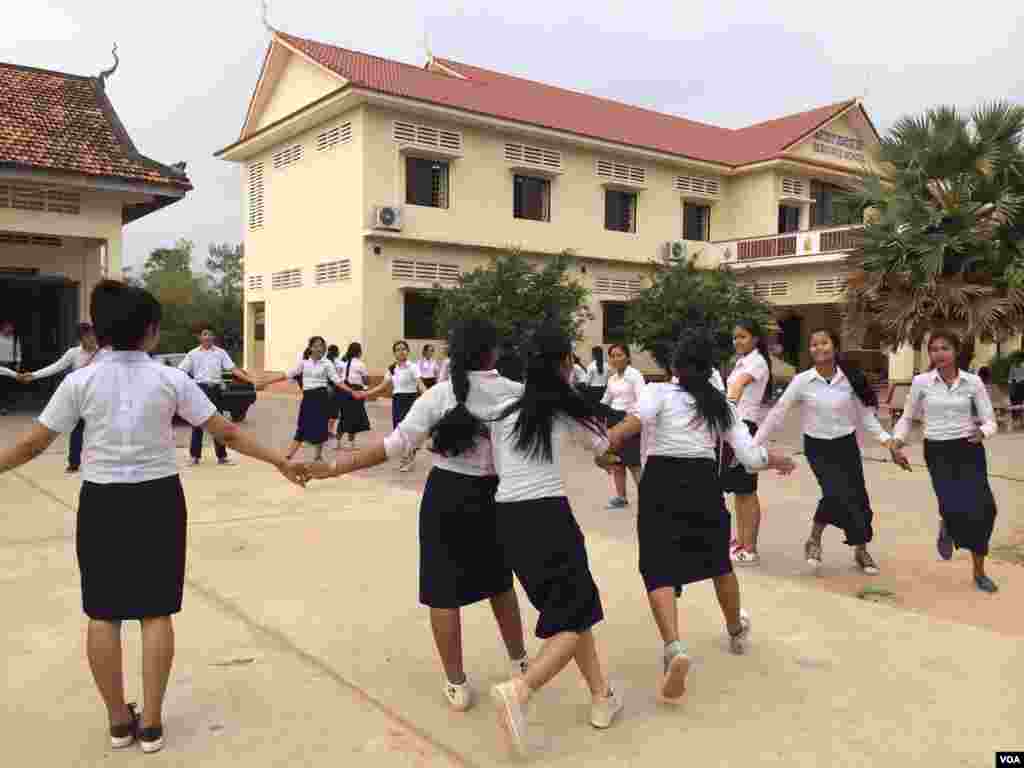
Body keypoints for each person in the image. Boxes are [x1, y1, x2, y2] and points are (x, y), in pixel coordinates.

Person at [0, 280, 307, 755]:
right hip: (158, 500)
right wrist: (280, 460)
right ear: (150, 331)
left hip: (102, 502)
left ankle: (119, 722)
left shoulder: (80, 380)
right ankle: (153, 725)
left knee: (102, 613)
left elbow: (31, 444)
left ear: (98, 333)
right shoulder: (170, 379)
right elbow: (225, 430)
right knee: (155, 611)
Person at [310, 320, 530, 711]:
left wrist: (335, 468)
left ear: (454, 353)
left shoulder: (440, 395)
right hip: (498, 496)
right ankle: (520, 662)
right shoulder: (517, 394)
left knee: (442, 591)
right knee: (500, 583)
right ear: (494, 352)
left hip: (446, 495)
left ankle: (457, 684)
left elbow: (394, 446)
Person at [607, 332, 794, 702]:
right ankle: (736, 632)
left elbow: (630, 426)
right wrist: (777, 460)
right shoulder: (720, 405)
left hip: (660, 482)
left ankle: (674, 648)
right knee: (719, 564)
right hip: (702, 484)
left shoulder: (658, 393)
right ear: (710, 368)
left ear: (674, 367)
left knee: (657, 565)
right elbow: (751, 456)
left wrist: (603, 444)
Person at [487, 328, 622, 757]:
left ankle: (601, 696)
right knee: (574, 614)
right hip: (547, 516)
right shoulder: (562, 408)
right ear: (564, 363)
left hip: (506, 517)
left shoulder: (503, 410)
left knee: (571, 609)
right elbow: (602, 444)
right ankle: (521, 691)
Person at [754, 329, 895, 574]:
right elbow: (778, 412)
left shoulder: (849, 377)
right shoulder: (803, 380)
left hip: (846, 444)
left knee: (858, 498)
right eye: (814, 344)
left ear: (835, 346)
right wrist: (754, 443)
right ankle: (814, 540)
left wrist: (887, 441)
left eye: (824, 343)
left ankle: (861, 550)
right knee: (835, 493)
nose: (819, 348)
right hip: (817, 447)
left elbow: (865, 415)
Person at [890, 330, 1000, 593]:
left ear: (956, 351)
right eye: (934, 349)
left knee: (985, 510)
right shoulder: (921, 382)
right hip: (938, 451)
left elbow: (990, 421)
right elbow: (907, 417)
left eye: (945, 348)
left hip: (969, 448)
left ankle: (979, 572)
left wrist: (982, 432)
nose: (939, 354)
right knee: (953, 507)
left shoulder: (973, 382)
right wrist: (896, 442)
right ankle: (948, 524)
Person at [17, 323, 105, 472]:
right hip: (80, 399)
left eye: (93, 335)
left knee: (100, 432)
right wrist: (34, 375)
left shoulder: (104, 354)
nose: (92, 339)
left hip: (98, 399)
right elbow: (56, 367)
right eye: (87, 336)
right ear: (81, 339)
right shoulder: (73, 353)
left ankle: (100, 462)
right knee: (77, 431)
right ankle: (74, 463)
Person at [721, 320, 773, 567]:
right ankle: (741, 540)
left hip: (745, 427)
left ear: (755, 339)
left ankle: (750, 547)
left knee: (747, 489)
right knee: (739, 490)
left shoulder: (757, 362)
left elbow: (738, 385)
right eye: (735, 338)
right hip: (734, 427)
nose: (737, 341)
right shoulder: (743, 361)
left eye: (742, 337)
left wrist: (726, 407)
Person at [178, 328, 259, 466]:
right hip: (200, 389)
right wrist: (189, 385)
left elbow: (233, 369)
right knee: (197, 423)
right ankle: (194, 457)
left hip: (216, 390)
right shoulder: (193, 354)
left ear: (213, 337)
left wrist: (250, 380)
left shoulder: (220, 353)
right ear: (200, 337)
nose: (207, 336)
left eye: (210, 334)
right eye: (204, 334)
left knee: (218, 424)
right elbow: (181, 371)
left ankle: (222, 457)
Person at [264, 336, 347, 462]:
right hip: (308, 398)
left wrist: (352, 391)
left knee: (321, 426)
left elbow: (337, 380)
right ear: (311, 347)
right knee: (302, 426)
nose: (320, 348)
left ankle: (318, 456)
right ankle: (288, 456)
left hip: (321, 398)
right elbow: (287, 374)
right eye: (317, 345)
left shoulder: (327, 363)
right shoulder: (304, 363)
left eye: (322, 345)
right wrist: (266, 381)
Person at [362, 341, 426, 471]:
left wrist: (428, 395)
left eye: (403, 349)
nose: (401, 351)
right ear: (394, 353)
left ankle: (409, 460)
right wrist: (366, 393)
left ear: (408, 351)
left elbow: (420, 384)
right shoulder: (392, 369)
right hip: (397, 401)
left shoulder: (412, 367)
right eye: (398, 349)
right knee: (399, 430)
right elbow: (382, 386)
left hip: (410, 400)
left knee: (410, 431)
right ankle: (405, 458)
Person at [601, 344, 646, 510]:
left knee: (634, 462)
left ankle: (647, 498)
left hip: (630, 420)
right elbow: (606, 399)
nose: (615, 359)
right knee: (617, 462)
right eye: (612, 356)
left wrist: (632, 420)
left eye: (619, 355)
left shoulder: (635, 375)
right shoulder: (612, 378)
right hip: (613, 418)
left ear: (627, 357)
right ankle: (621, 497)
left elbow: (642, 400)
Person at [334, 342, 372, 450]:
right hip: (355, 392)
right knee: (354, 418)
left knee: (344, 417)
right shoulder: (360, 364)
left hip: (343, 391)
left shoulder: (343, 363)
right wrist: (367, 381)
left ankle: (338, 443)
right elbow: (366, 380)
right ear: (359, 352)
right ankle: (351, 445)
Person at [0, 319, 21, 415]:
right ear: (3, 328)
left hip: (9, 366)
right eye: (8, 327)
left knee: (6, 387)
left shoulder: (15, 339)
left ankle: (4, 407)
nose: (10, 329)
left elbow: (18, 352)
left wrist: (18, 363)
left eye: (11, 328)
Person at [1009, 357, 1024, 425]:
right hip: (1016, 388)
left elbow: (1010, 380)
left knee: (1017, 403)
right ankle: (1017, 418)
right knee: (1016, 403)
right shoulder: (1013, 367)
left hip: (1017, 388)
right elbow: (1010, 380)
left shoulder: (1014, 367)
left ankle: (1017, 419)